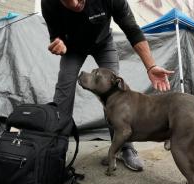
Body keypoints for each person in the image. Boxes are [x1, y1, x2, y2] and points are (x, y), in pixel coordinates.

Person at [41, 0, 173, 171]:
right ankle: (58, 148)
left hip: (103, 44)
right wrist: (57, 43)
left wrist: (151, 66)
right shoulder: (48, 3)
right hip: (72, 48)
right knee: (63, 92)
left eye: (79, 0)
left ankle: (125, 147)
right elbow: (55, 35)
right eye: (68, 2)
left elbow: (132, 30)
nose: (75, 5)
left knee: (116, 94)